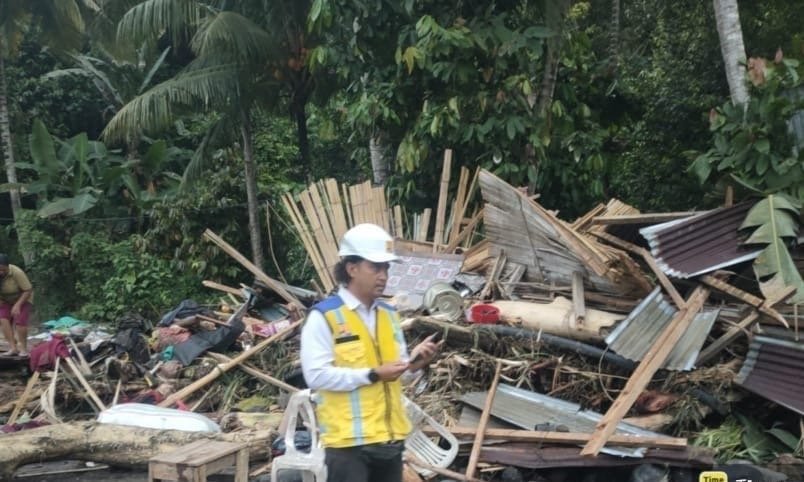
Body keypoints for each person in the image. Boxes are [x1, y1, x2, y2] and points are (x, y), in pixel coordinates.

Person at [300, 223, 441, 482]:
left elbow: (398, 376)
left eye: (386, 267)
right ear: (351, 269)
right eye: (375, 267)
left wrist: (415, 364)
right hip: (348, 447)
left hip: (389, 441)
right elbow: (316, 376)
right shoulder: (324, 316)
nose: (383, 275)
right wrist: (373, 374)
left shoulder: (388, 315)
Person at [0, 254, 34, 356]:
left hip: (23, 297)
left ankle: (23, 348)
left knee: (20, 321)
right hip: (5, 299)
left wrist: (18, 305)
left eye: (3, 270)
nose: (0, 272)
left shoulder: (16, 272)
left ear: (7, 266)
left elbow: (28, 290)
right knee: (3, 320)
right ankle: (13, 348)